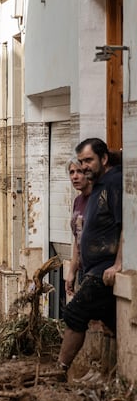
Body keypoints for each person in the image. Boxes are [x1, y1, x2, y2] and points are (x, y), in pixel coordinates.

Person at [58, 138, 122, 374]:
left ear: (103, 159)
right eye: (78, 165)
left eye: (87, 161)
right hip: (92, 269)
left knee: (75, 313)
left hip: (104, 269)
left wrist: (119, 264)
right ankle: (115, 374)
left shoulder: (113, 183)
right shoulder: (95, 190)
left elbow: (125, 225)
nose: (81, 169)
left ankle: (60, 369)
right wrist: (73, 270)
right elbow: (79, 239)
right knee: (113, 322)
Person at [65, 158, 93, 298]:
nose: (74, 176)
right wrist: (71, 271)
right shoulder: (78, 201)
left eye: (79, 172)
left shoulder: (99, 198)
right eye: (71, 172)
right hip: (82, 270)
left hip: (97, 271)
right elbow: (78, 240)